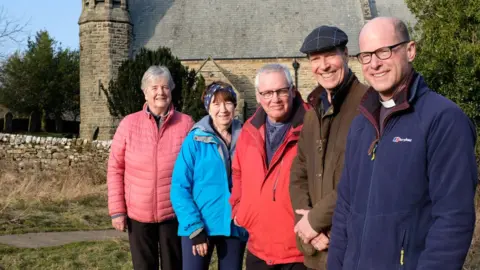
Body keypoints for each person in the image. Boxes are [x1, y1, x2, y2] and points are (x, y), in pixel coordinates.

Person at [328, 17, 478, 270]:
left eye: (384, 51)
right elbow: (345, 209)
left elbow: (453, 219)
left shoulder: (443, 119)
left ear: (410, 51)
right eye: (365, 55)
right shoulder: (361, 125)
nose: (374, 64)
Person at [289, 25, 368, 270]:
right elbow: (298, 174)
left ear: (345, 54)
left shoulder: (368, 105)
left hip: (352, 250)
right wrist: (309, 230)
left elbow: (363, 178)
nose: (323, 65)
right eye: (315, 58)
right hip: (315, 253)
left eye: (330, 55)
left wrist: (316, 222)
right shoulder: (312, 114)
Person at [107, 65, 194, 270]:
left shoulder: (186, 124)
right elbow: (115, 169)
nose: (160, 92)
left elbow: (195, 170)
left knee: (174, 266)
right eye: (154, 87)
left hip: (175, 213)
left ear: (171, 91)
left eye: (165, 87)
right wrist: (117, 211)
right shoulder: (129, 124)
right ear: (145, 92)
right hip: (138, 214)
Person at [229, 63, 311, 270]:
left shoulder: (312, 126)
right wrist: (239, 209)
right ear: (258, 96)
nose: (274, 99)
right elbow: (238, 172)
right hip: (259, 248)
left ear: (292, 91)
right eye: (267, 93)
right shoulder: (249, 131)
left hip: (298, 250)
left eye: (281, 91)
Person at [171, 81, 248, 270]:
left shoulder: (248, 137)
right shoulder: (195, 140)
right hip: (199, 226)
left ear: (235, 105)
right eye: (216, 103)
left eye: (228, 102)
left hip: (234, 226)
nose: (223, 109)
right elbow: (179, 188)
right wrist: (195, 228)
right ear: (208, 107)